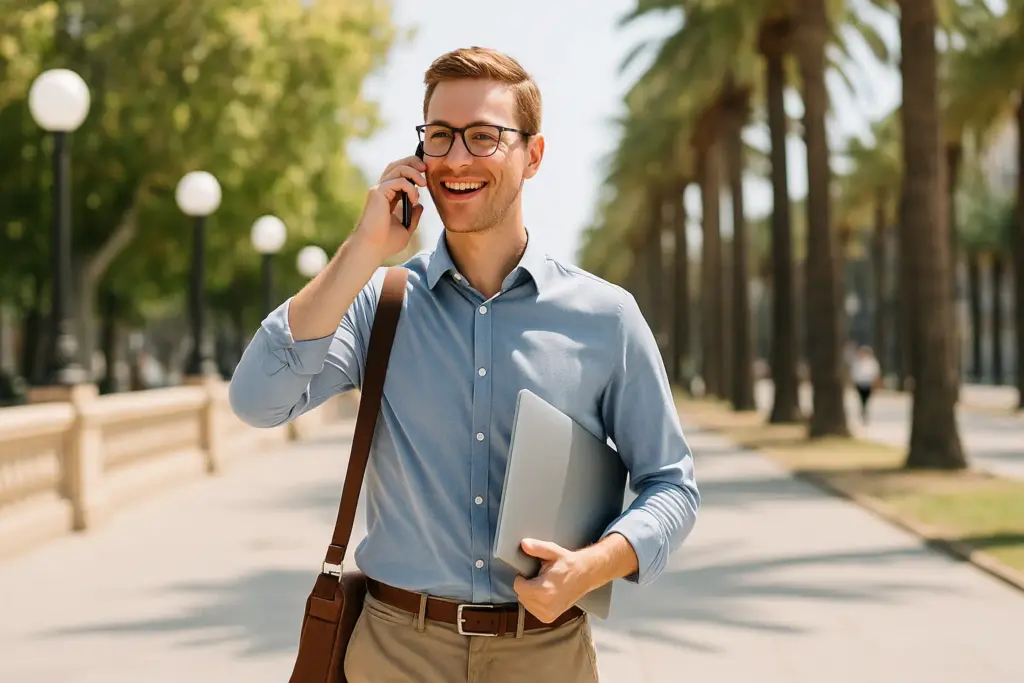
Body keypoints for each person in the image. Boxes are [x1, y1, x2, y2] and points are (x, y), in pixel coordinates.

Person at [229, 46, 699, 683]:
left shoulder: (606, 317)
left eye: (483, 137)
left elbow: (671, 484)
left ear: (532, 155)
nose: (455, 159)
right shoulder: (379, 303)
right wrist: (364, 248)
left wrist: (594, 565)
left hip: (545, 654)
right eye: (440, 137)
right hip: (397, 652)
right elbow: (258, 399)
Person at [850, 345, 881, 424]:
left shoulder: (872, 362)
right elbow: (854, 373)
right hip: (860, 383)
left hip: (868, 383)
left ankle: (864, 410)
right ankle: (863, 410)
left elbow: (875, 373)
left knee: (866, 399)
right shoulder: (857, 362)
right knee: (861, 398)